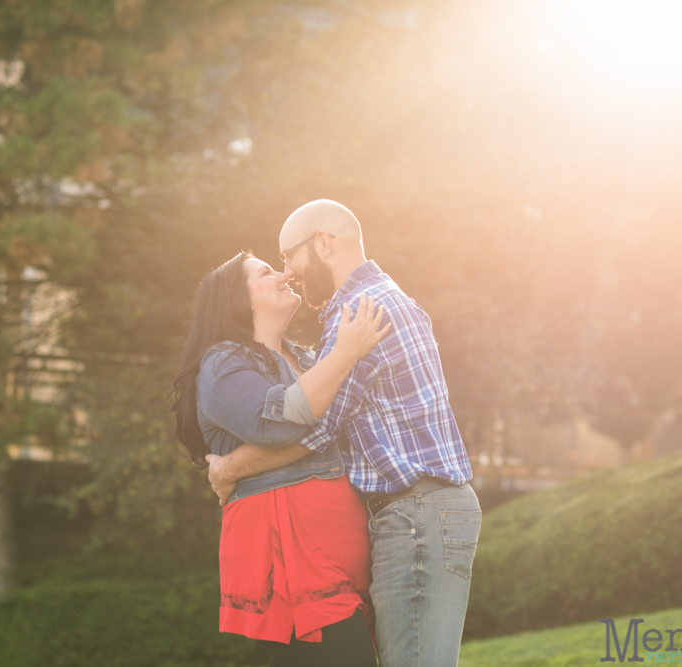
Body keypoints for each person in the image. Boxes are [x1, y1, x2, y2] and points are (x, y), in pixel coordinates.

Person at [206, 200, 481, 667]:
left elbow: (316, 429)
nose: (289, 272)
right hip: (419, 513)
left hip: (416, 514)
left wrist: (229, 469)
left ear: (323, 244)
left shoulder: (359, 310)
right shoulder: (379, 298)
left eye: (288, 257)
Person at [169, 250, 391, 667]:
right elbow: (273, 426)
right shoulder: (223, 362)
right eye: (265, 272)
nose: (283, 273)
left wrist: (232, 467)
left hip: (338, 545)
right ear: (240, 299)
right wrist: (346, 353)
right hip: (288, 549)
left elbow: (347, 428)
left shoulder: (308, 358)